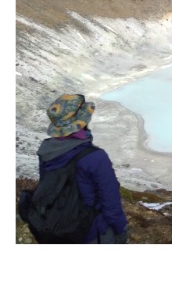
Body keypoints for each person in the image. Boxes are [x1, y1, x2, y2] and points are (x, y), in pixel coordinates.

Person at [36, 94, 128, 243]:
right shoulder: (95, 157)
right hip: (90, 230)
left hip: (57, 223)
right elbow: (110, 200)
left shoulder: (46, 150)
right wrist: (121, 229)